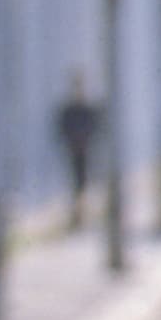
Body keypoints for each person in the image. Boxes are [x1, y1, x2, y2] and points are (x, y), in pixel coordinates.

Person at [55, 70, 104, 231]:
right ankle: (77, 214)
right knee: (76, 182)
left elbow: (95, 128)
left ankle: (82, 214)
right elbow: (63, 128)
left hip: (86, 150)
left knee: (84, 182)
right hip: (73, 150)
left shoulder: (87, 109)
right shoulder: (70, 110)